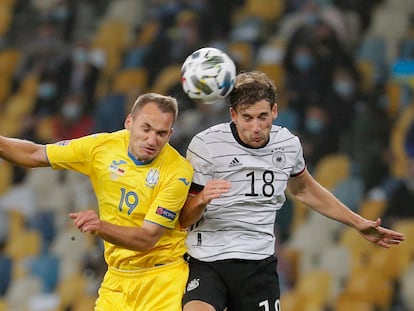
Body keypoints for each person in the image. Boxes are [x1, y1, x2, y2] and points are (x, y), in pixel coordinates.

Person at [180, 71, 405, 311]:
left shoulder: (287, 144)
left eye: (263, 117)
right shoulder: (205, 146)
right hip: (207, 260)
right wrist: (202, 199)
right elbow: (184, 218)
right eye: (247, 118)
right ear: (233, 115)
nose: (256, 127)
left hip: (258, 266)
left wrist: (358, 222)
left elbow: (305, 189)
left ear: (274, 111)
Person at [0, 92, 194, 310]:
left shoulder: (178, 171)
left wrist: (101, 226)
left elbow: (147, 238)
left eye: (161, 133)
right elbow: (36, 154)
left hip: (162, 280)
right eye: (146, 129)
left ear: (170, 135)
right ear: (129, 122)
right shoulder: (102, 147)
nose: (152, 140)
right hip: (117, 279)